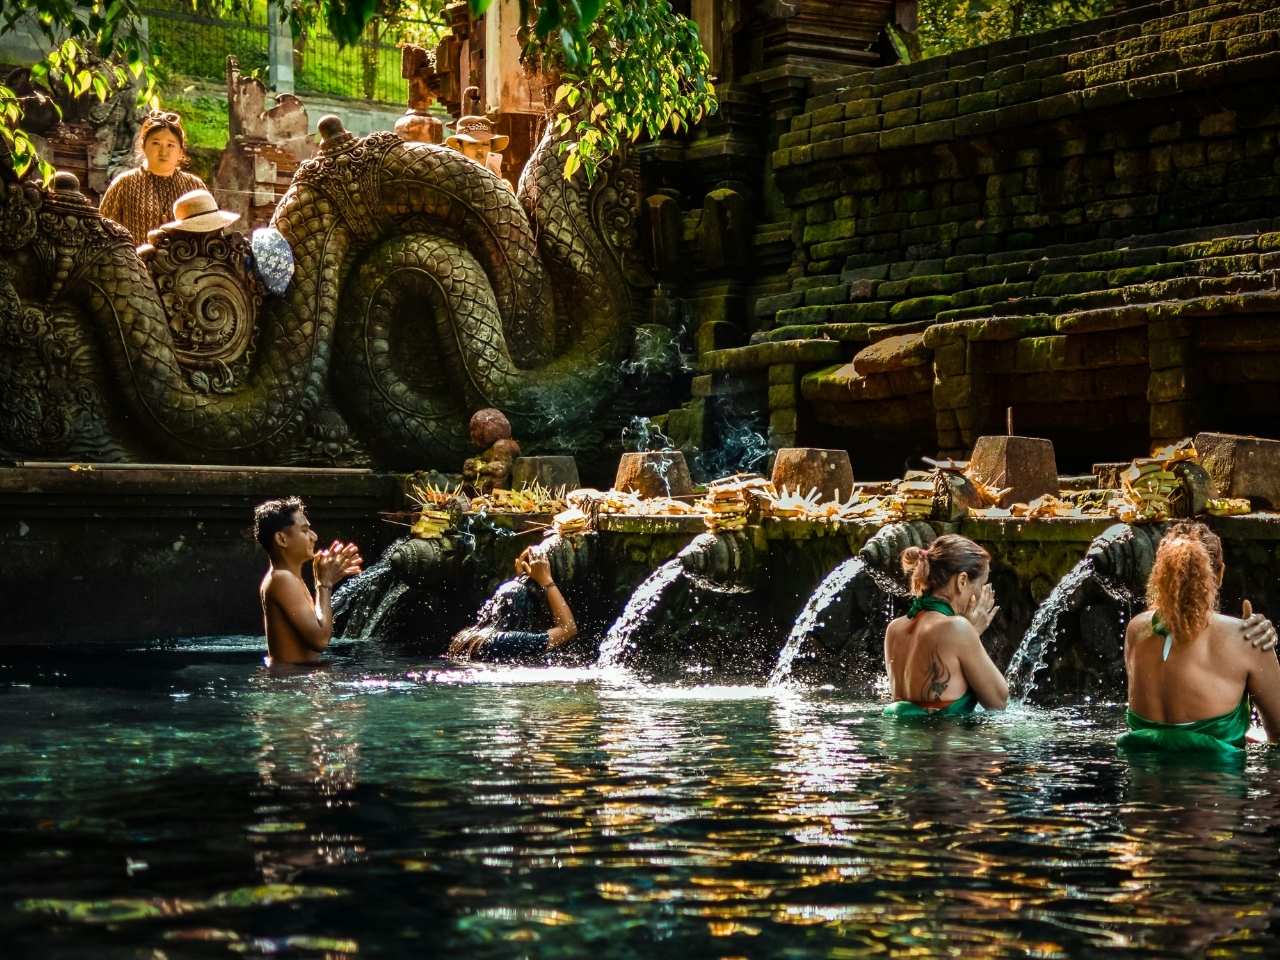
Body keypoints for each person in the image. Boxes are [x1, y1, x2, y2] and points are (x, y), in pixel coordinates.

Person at [1120, 521, 1280, 755]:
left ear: (1161, 574)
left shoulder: (1136, 630)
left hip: (1146, 789)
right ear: (1220, 573)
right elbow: (1278, 736)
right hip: (1214, 790)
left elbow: (1173, 735)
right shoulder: (1249, 638)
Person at [883, 535, 1008, 717]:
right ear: (962, 581)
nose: (982, 594)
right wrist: (972, 633)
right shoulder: (958, 629)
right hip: (944, 744)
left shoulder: (894, 628)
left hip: (897, 744)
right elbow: (998, 701)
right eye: (981, 584)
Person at [254, 496, 362, 666]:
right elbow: (319, 641)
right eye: (304, 530)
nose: (314, 536)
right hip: (293, 683)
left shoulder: (287, 577)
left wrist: (325, 581)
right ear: (282, 539)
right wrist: (324, 585)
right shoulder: (282, 578)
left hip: (294, 679)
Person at [447, 547, 577, 664]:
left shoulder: (465, 637)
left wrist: (522, 578)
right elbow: (568, 628)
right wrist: (547, 581)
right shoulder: (511, 641)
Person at [99, 110, 208, 244]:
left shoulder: (194, 186)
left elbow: (210, 232)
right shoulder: (125, 183)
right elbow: (103, 231)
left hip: (184, 263)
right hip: (135, 262)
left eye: (170, 145)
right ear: (144, 146)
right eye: (156, 143)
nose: (163, 152)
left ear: (180, 151)